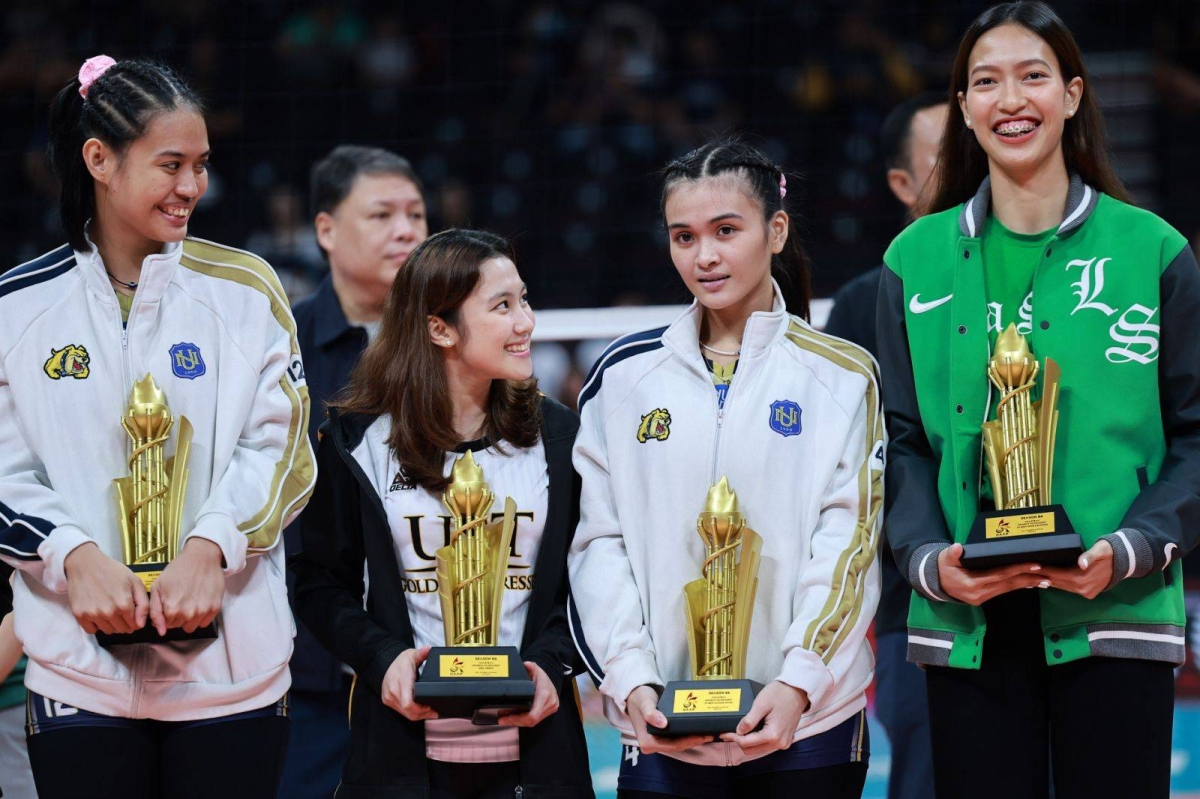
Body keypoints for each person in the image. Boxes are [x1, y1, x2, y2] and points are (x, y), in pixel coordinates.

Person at [877, 4, 1200, 798]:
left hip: (1115, 606)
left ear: (1073, 95)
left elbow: (1196, 434)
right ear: (962, 108)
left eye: (1033, 77)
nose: (1009, 99)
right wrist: (930, 563)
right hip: (968, 619)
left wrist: (1133, 546)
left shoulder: (1154, 251)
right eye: (985, 82)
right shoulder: (912, 260)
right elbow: (901, 441)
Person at [0, 56, 315, 798]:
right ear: (99, 159)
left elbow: (284, 452)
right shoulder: (18, 306)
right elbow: (6, 470)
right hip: (79, 676)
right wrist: (71, 553)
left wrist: (213, 545)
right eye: (170, 164)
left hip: (232, 673)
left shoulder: (247, 290)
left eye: (202, 165)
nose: (192, 187)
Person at [568, 138, 883, 799]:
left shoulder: (842, 376)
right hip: (661, 727)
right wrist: (632, 684)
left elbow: (849, 542)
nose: (704, 256)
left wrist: (798, 681)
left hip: (808, 725)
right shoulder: (623, 381)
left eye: (725, 231)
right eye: (683, 237)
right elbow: (599, 544)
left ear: (776, 230)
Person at [292, 229, 594, 797]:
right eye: (502, 306)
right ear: (440, 328)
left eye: (523, 300)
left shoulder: (561, 437)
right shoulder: (356, 441)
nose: (526, 321)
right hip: (400, 758)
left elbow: (585, 585)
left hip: (538, 755)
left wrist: (552, 667)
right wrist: (384, 659)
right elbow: (316, 583)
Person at [284, 144, 429, 799]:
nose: (406, 230)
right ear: (325, 230)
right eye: (382, 214)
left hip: (433, 658)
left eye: (416, 214)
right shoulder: (275, 345)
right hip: (303, 671)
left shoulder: (456, 342)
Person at [824, 91, 947, 799]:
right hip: (917, 607)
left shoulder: (1032, 285)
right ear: (901, 184)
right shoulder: (864, 304)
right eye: (947, 155)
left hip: (1041, 593)